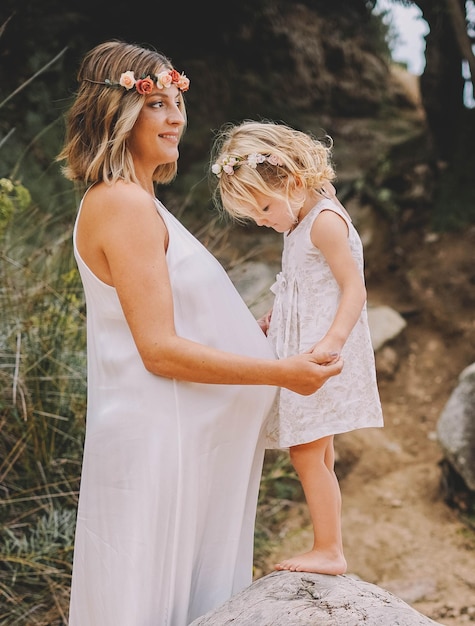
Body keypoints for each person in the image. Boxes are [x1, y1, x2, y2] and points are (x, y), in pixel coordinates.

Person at [56, 41, 343, 626]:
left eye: (177, 102)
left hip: (180, 446)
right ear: (116, 114)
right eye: (156, 103)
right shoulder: (122, 205)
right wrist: (280, 372)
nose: (176, 117)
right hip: (160, 449)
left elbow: (171, 320)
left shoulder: (139, 202)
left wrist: (254, 332)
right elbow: (158, 350)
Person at [210, 119, 384, 576]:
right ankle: (329, 544)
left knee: (307, 452)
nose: (264, 220)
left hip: (319, 357)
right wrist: (276, 319)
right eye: (256, 216)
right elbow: (303, 287)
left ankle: (329, 549)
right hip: (305, 351)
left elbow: (354, 290)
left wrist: (331, 341)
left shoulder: (324, 222)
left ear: (290, 180)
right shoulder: (299, 223)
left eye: (264, 207)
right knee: (317, 452)